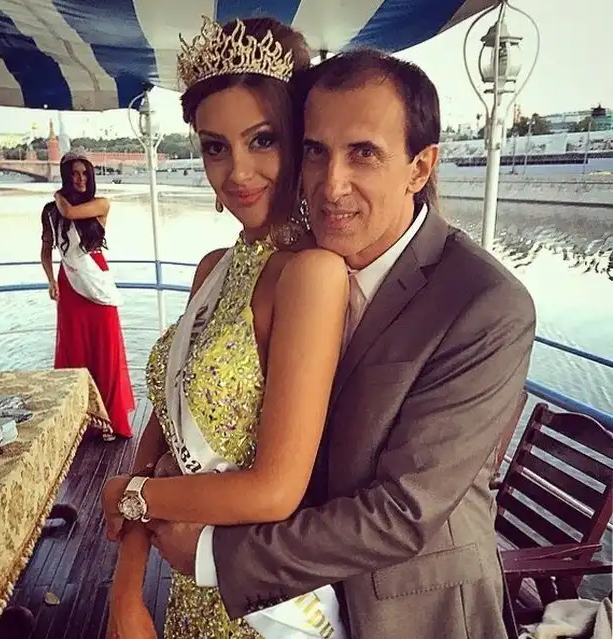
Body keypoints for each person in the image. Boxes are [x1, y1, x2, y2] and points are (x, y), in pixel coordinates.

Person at [146, 49, 537, 639]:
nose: (331, 185)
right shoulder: (287, 269)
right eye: (315, 151)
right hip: (275, 603)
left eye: (363, 153)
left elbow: (402, 512)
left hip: (405, 610)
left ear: (419, 167)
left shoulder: (485, 304)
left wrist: (211, 554)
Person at [101, 17, 350, 639]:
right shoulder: (213, 268)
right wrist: (126, 591)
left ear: (300, 141)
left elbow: (273, 491)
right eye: (215, 147)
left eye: (261, 140)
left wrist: (133, 495)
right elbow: (166, 425)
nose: (237, 172)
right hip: (189, 583)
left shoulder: (312, 275)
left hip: (260, 602)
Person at [40, 151, 134, 439]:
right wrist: (50, 280)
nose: (80, 179)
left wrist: (58, 194)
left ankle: (111, 420)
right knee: (75, 351)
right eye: (74, 174)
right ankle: (80, 418)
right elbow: (46, 250)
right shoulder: (50, 211)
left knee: (106, 351)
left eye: (84, 174)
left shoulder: (100, 204)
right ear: (66, 176)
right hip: (69, 284)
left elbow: (69, 212)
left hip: (96, 281)